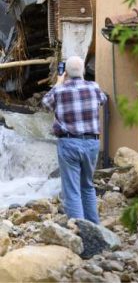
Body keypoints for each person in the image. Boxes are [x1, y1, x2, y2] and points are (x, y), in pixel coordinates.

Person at [42, 55, 107, 223]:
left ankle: (80, 231)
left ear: (66, 74)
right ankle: (94, 228)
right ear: (83, 71)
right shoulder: (93, 87)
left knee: (72, 190)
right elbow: (103, 100)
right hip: (92, 143)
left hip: (69, 143)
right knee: (87, 186)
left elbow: (45, 104)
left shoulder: (59, 90)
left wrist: (58, 82)